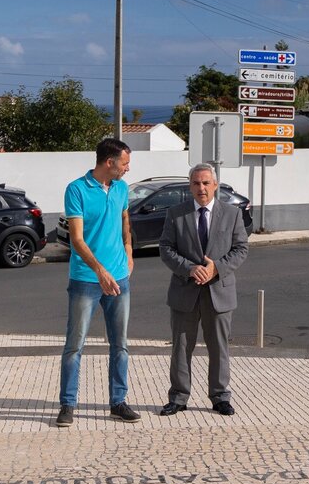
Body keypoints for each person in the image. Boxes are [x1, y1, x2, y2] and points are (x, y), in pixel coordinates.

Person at [56, 138, 139, 427]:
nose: (128, 168)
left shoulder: (121, 188)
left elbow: (125, 217)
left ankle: (118, 402)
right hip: (86, 280)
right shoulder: (76, 189)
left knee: (120, 344)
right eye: (125, 163)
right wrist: (100, 272)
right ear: (109, 162)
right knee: (74, 345)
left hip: (119, 279)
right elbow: (76, 239)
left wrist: (128, 250)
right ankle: (67, 405)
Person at [158, 164, 249, 417]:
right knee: (181, 347)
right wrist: (189, 268)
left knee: (219, 347)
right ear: (190, 186)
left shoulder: (231, 214)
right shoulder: (176, 214)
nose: (201, 188)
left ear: (215, 185)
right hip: (184, 292)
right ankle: (178, 397)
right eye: (197, 183)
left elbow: (241, 249)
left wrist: (216, 268)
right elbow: (165, 248)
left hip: (219, 292)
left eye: (206, 183)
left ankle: (220, 397)